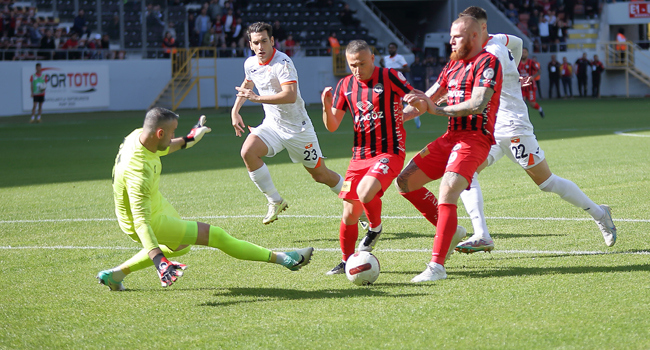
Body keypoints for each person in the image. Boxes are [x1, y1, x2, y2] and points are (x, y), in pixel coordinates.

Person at [453, 7, 616, 255]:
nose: (464, 34)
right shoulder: (499, 40)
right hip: (492, 130)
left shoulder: (492, 53)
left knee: (547, 183)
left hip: (513, 126)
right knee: (465, 172)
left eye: (468, 29)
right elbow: (518, 42)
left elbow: (479, 98)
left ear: (481, 28)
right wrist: (515, 72)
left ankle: (600, 213)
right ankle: (482, 234)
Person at [96, 108, 314, 291]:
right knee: (215, 235)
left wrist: (188, 139)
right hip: (147, 219)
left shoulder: (138, 136)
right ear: (160, 132)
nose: (173, 137)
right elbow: (141, 222)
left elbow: (162, 148)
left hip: (155, 204)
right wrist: (159, 262)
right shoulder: (140, 171)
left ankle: (115, 276)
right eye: (172, 133)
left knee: (180, 247)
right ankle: (286, 259)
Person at [395, 16, 503, 282]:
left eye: (457, 36)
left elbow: (478, 103)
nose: (451, 40)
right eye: (451, 35)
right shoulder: (453, 65)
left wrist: (437, 109)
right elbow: (427, 98)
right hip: (451, 136)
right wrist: (396, 115)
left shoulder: (488, 62)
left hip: (474, 139)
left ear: (475, 37)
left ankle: (437, 267)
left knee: (448, 188)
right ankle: (452, 232)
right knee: (404, 182)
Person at [321, 39, 429, 275]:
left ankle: (375, 228)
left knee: (365, 191)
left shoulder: (390, 76)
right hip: (359, 156)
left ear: (372, 58)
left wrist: (410, 109)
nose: (357, 70)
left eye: (361, 63)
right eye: (352, 65)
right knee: (349, 212)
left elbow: (420, 104)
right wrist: (326, 106)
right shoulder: (345, 85)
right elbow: (332, 125)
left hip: (390, 151)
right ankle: (347, 260)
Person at [231, 22, 344, 225]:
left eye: (264, 41)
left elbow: (290, 96)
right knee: (248, 151)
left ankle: (358, 206)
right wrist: (235, 109)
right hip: (273, 125)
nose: (260, 47)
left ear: (272, 41)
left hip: (298, 129)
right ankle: (275, 200)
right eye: (256, 43)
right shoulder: (250, 63)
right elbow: (248, 82)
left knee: (321, 175)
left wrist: (256, 99)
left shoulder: (282, 63)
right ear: (250, 44)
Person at [381, 42, 421, 129]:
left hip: (398, 82)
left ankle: (415, 114)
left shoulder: (399, 58)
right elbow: (384, 68)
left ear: (396, 49)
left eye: (392, 48)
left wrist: (393, 70)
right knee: (392, 101)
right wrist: (383, 66)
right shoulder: (385, 58)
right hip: (388, 82)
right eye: (389, 48)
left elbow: (407, 69)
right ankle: (393, 121)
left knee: (403, 101)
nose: (391, 49)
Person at [519, 47, 545, 118]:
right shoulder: (517, 62)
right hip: (521, 86)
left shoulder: (531, 62)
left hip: (530, 86)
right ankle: (523, 117)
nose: (523, 54)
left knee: (532, 104)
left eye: (525, 52)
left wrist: (533, 77)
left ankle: (540, 109)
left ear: (527, 54)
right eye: (522, 52)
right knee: (522, 102)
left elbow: (539, 71)